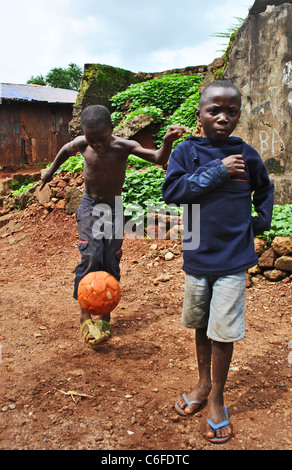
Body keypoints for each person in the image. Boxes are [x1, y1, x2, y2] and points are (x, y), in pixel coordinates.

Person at [162, 80, 274, 444]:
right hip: (198, 255)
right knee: (201, 323)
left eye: (231, 111)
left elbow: (265, 189)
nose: (223, 118)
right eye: (215, 110)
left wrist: (257, 222)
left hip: (232, 259)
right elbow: (173, 192)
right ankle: (202, 382)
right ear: (200, 115)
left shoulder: (247, 154)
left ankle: (217, 399)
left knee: (223, 330)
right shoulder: (185, 152)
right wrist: (217, 171)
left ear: (239, 115)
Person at [40, 104, 190, 347]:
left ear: (112, 129)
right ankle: (85, 313)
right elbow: (65, 151)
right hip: (89, 207)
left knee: (110, 259)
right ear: (85, 135)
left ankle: (106, 313)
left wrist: (167, 141)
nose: (97, 144)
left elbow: (158, 158)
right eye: (91, 139)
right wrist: (49, 171)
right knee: (91, 256)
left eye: (102, 138)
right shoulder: (82, 143)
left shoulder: (124, 147)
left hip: (113, 209)